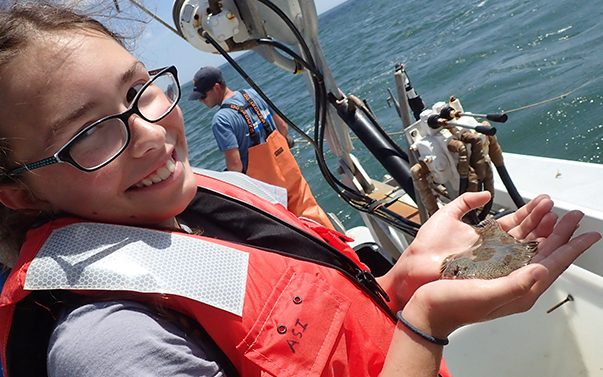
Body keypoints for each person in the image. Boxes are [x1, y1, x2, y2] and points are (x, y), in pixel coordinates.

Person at [0, 4, 600, 377]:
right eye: (88, 132)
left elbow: (312, 332)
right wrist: (424, 324)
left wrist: (400, 281)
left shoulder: (187, 213)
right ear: (20, 193)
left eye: (140, 89)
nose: (151, 132)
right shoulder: (111, 347)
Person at [189, 65, 336, 229]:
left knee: (290, 229)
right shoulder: (252, 94)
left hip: (266, 190)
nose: (201, 101)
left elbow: (235, 166)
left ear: (216, 88)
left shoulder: (221, 120)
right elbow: (283, 128)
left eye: (202, 96)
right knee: (312, 214)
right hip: (289, 171)